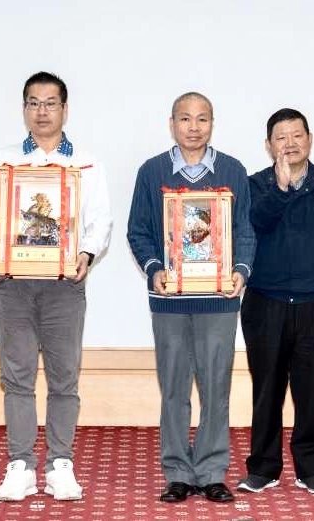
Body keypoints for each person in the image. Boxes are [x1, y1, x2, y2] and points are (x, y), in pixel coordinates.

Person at [0, 72, 112, 502]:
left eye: (50, 103)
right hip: (14, 284)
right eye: (33, 103)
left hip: (64, 284)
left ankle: (60, 464)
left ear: (65, 109)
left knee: (64, 377)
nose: (42, 111)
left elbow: (100, 220)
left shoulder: (86, 163)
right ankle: (21, 465)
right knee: (17, 377)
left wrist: (86, 253)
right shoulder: (3, 161)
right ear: (24, 109)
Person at [127, 91, 255, 504]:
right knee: (174, 388)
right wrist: (154, 268)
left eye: (202, 119)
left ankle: (213, 471)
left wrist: (240, 271)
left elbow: (245, 230)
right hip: (169, 300)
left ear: (212, 124)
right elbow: (138, 230)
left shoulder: (233, 171)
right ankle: (178, 472)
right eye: (185, 118)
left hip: (219, 299)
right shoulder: (152, 172)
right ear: (172, 124)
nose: (194, 127)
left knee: (216, 387)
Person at [237, 108, 314, 496]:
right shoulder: (256, 183)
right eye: (281, 137)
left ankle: (311, 468)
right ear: (268, 145)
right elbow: (256, 221)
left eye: (297, 135)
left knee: (311, 391)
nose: (290, 143)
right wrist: (281, 188)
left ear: (310, 139)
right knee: (266, 390)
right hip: (265, 302)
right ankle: (263, 467)